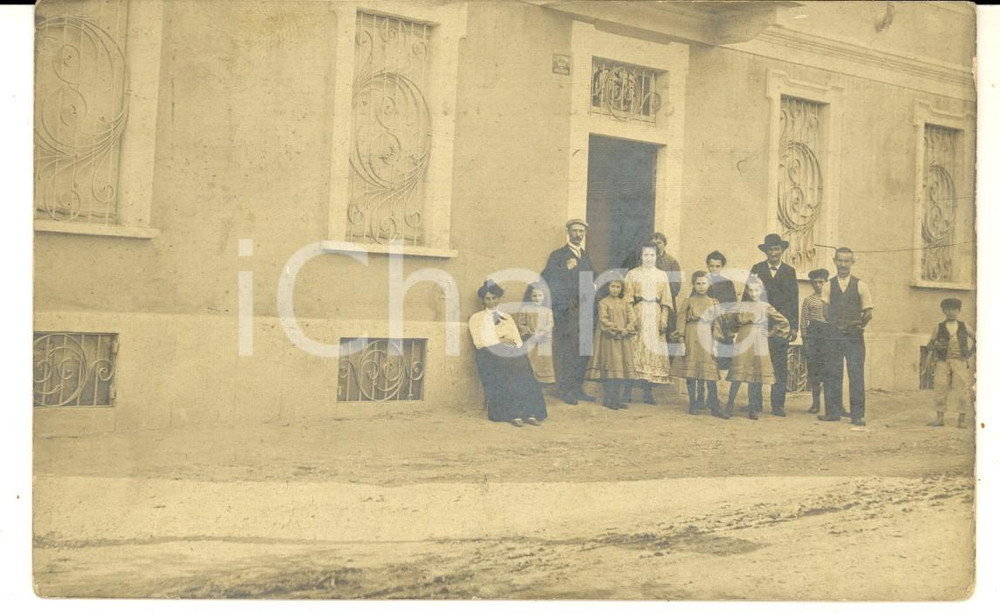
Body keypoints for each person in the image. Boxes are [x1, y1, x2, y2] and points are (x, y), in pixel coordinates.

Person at [469, 280, 547, 427]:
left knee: (522, 364)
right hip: (488, 354)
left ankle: (529, 412)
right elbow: (479, 342)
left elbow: (517, 341)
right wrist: (500, 341)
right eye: (487, 298)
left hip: (508, 353)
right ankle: (512, 413)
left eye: (494, 298)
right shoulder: (477, 318)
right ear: (483, 300)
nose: (491, 301)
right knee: (507, 366)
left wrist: (512, 344)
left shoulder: (507, 318)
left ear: (499, 299)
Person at [541, 219, 598, 405]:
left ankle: (577, 388)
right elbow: (548, 280)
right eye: (575, 231)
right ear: (568, 232)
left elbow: (594, 278)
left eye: (581, 231)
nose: (578, 235)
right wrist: (567, 269)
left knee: (583, 351)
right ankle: (566, 390)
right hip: (568, 312)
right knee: (568, 352)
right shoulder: (558, 256)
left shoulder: (585, 256)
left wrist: (595, 287)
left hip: (585, 312)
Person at [817, 247, 873, 427]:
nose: (842, 265)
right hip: (834, 335)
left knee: (856, 374)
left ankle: (857, 415)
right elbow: (825, 310)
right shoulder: (828, 285)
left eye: (846, 261)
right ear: (834, 261)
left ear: (852, 263)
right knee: (832, 372)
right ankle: (833, 412)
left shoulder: (860, 285)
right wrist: (835, 326)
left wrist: (858, 326)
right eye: (839, 261)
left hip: (854, 337)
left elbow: (868, 312)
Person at [745, 233, 799, 417]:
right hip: (760, 325)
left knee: (779, 366)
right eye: (770, 250)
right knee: (756, 364)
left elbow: (793, 301)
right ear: (765, 252)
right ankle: (755, 403)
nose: (773, 253)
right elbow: (747, 297)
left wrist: (793, 327)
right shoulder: (757, 269)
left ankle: (778, 405)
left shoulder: (789, 271)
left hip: (781, 327)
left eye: (776, 249)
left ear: (782, 250)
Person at [725, 275, 790, 420]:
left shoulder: (765, 306)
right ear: (747, 292)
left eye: (757, 290)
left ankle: (752, 408)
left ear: (761, 291)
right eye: (751, 291)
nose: (754, 294)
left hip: (759, 342)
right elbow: (728, 319)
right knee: (738, 373)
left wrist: (771, 332)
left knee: (754, 376)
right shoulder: (741, 306)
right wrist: (732, 330)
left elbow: (784, 322)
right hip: (743, 339)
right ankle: (729, 406)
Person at [624, 243, 673, 404]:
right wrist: (632, 319)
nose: (649, 258)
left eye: (652, 255)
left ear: (657, 256)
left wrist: (663, 320)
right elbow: (628, 299)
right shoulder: (632, 274)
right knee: (634, 349)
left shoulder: (662, 275)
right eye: (646, 255)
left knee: (652, 352)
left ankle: (647, 392)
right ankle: (627, 390)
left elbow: (666, 300)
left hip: (655, 312)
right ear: (640, 256)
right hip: (639, 311)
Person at [672, 271, 725, 416]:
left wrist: (715, 344)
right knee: (692, 370)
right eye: (698, 283)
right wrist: (681, 342)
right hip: (691, 336)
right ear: (693, 285)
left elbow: (717, 325)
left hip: (707, 336)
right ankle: (693, 403)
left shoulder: (713, 302)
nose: (701, 287)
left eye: (704, 283)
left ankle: (713, 404)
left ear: (709, 284)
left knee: (710, 370)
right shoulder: (688, 302)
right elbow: (681, 322)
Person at [584, 276, 637, 410]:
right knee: (610, 368)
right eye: (612, 286)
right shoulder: (603, 302)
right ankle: (608, 399)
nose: (615, 289)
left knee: (620, 369)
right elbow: (603, 320)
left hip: (623, 340)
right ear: (608, 287)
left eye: (618, 287)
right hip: (609, 338)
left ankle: (617, 399)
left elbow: (633, 319)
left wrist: (627, 329)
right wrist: (618, 329)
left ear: (621, 289)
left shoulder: (625, 303)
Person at [926, 298, 975, 429]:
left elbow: (978, 339)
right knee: (940, 388)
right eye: (948, 309)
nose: (951, 312)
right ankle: (940, 418)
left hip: (960, 361)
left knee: (962, 389)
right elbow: (929, 345)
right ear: (943, 311)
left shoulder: (964, 326)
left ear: (959, 311)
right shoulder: (938, 327)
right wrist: (935, 345)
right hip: (942, 362)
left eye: (954, 309)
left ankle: (962, 419)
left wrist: (969, 354)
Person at [700, 250, 739, 405]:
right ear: (707, 266)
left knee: (720, 362)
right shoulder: (702, 281)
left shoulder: (727, 283)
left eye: (717, 266)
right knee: (705, 361)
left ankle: (716, 397)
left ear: (722, 266)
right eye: (711, 266)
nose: (714, 269)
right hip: (705, 326)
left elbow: (733, 306)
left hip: (722, 326)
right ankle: (702, 397)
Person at [801, 269, 831, 414]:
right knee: (814, 371)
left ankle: (832, 405)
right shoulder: (808, 300)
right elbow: (804, 321)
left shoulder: (831, 298)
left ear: (826, 283)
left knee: (829, 370)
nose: (818, 285)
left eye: (821, 282)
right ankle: (815, 403)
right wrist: (805, 340)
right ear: (812, 284)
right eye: (815, 282)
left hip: (828, 335)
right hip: (814, 335)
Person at [515, 283, 556, 386]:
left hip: (544, 340)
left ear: (544, 297)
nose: (537, 298)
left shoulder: (547, 311)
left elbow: (550, 324)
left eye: (540, 296)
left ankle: (545, 381)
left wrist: (540, 334)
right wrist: (530, 333)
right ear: (530, 296)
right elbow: (521, 323)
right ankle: (533, 381)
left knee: (544, 360)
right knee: (532, 359)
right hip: (531, 338)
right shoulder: (525, 309)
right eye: (534, 296)